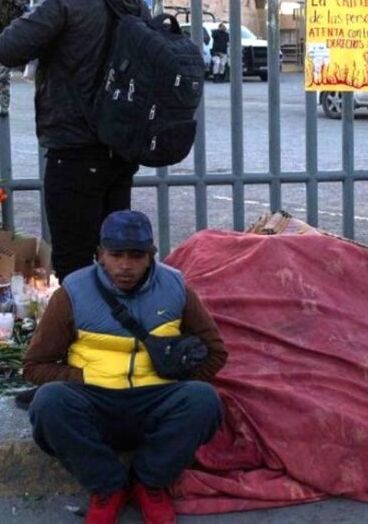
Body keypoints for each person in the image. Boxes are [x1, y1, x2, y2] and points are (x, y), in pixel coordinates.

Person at [23, 210, 227, 524]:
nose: (125, 265)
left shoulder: (175, 287)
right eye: (115, 255)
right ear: (100, 255)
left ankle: (150, 484)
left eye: (136, 256)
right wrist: (86, 378)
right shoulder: (73, 292)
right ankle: (108, 487)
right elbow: (35, 365)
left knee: (203, 400)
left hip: (155, 401)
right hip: (95, 400)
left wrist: (175, 379)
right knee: (49, 402)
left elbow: (215, 353)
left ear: (150, 257)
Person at [0, 0, 150, 282]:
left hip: (74, 150)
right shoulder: (132, 0)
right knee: (115, 257)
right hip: (121, 149)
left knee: (73, 263)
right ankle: (114, 330)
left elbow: (7, 48)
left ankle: (83, 332)